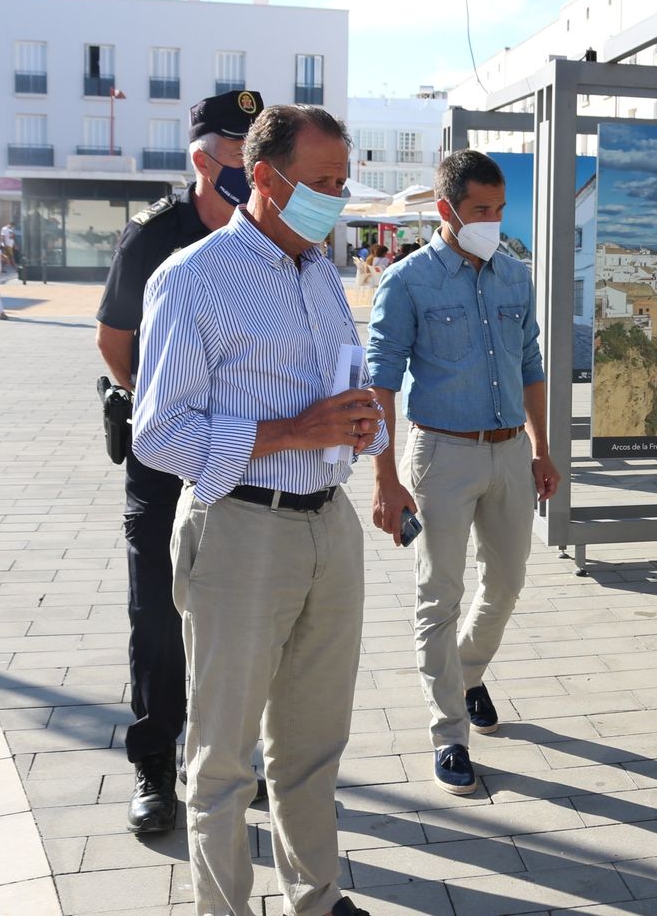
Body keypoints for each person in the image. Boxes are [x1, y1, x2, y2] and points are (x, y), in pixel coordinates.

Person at [133, 103, 381, 916]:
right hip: (239, 528)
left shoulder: (319, 273)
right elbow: (158, 433)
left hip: (328, 524)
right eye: (323, 182)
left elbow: (341, 385)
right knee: (223, 757)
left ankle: (317, 896)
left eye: (343, 181)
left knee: (312, 744)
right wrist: (295, 430)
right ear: (266, 178)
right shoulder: (193, 278)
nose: (337, 198)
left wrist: (363, 424)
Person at [95, 89, 264, 835]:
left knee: (242, 613)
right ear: (202, 158)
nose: (249, 163)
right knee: (159, 616)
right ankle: (155, 768)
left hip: (245, 459)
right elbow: (114, 340)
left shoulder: (268, 236)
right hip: (166, 463)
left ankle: (227, 757)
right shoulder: (153, 237)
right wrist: (167, 408)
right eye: (236, 150)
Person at [367, 149, 561, 797]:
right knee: (439, 595)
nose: (493, 221)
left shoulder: (514, 276)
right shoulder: (408, 281)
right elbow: (380, 382)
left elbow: (530, 363)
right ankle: (449, 732)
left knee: (506, 582)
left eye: (499, 209)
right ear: (446, 209)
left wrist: (541, 446)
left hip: (510, 453)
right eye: (481, 209)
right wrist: (385, 478)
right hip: (441, 455)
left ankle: (467, 672)